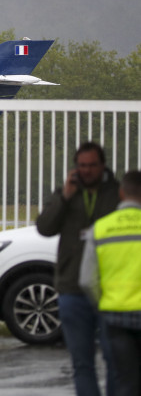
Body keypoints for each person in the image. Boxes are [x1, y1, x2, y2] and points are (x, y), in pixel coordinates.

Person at [36, 142, 120, 396]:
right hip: (72, 288)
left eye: (92, 165)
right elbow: (45, 227)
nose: (86, 171)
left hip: (109, 290)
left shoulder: (117, 194)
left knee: (114, 360)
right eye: (82, 166)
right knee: (82, 364)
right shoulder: (66, 193)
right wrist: (64, 196)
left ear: (102, 166)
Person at [80, 170, 141, 396]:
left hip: (115, 315)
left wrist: (102, 303)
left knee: (124, 380)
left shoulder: (102, 228)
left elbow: (87, 280)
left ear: (122, 193)